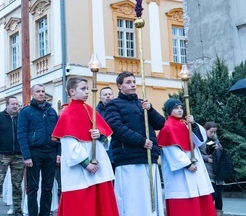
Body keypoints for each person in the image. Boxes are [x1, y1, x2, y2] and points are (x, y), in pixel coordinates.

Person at [52, 76, 119, 216]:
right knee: (82, 205)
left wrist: (99, 135)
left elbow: (107, 138)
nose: (87, 92)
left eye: (88, 88)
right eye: (83, 89)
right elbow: (69, 144)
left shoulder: (90, 110)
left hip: (99, 165)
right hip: (79, 169)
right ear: (72, 92)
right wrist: (86, 163)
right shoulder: (67, 114)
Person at [104, 71, 165, 216]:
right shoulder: (113, 105)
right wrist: (141, 141)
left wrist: (150, 110)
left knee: (150, 198)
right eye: (128, 82)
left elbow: (160, 123)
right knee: (132, 198)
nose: (132, 85)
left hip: (148, 157)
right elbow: (116, 128)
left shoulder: (142, 103)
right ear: (119, 86)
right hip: (128, 159)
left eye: (133, 81)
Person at [157, 98, 215, 216]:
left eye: (181, 108)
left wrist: (193, 124)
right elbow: (170, 150)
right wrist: (187, 164)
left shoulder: (185, 123)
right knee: (185, 200)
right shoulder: (167, 127)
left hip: (195, 164)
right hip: (181, 170)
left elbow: (200, 141)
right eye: (176, 108)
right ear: (169, 110)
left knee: (200, 196)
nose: (179, 110)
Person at [17, 84, 60, 216]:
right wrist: (26, 156)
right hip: (34, 153)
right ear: (33, 94)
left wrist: (59, 152)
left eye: (43, 91)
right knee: (33, 188)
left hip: (51, 152)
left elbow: (58, 133)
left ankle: (45, 213)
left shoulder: (52, 111)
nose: (41, 93)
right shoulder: (26, 111)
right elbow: (22, 134)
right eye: (38, 91)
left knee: (48, 188)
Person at [199, 122, 225, 215]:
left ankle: (218, 213)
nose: (213, 134)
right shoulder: (201, 141)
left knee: (219, 197)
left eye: (215, 132)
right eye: (211, 132)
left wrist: (218, 148)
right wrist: (207, 158)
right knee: (212, 195)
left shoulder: (216, 140)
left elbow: (222, 153)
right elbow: (197, 155)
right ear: (205, 130)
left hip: (217, 171)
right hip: (207, 171)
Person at [96, 87, 115, 170]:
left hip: (117, 148)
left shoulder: (118, 109)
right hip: (103, 148)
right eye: (105, 94)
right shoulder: (96, 113)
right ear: (100, 98)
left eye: (110, 94)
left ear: (113, 96)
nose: (108, 96)